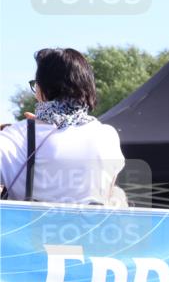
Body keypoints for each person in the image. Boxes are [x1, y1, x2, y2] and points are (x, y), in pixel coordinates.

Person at [0, 48, 124, 203]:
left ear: (41, 89)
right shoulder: (108, 136)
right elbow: (109, 191)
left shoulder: (15, 138)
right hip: (92, 227)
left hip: (35, 227)